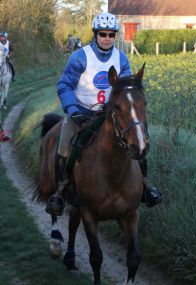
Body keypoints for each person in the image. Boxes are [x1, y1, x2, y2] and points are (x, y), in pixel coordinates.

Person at [46, 12, 162, 215]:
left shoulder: (121, 58)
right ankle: (60, 191)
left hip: (111, 115)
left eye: (111, 34)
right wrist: (72, 110)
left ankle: (145, 184)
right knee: (64, 143)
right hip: (81, 113)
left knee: (138, 136)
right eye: (103, 34)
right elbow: (64, 86)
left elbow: (126, 89)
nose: (107, 38)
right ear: (95, 34)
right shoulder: (80, 57)